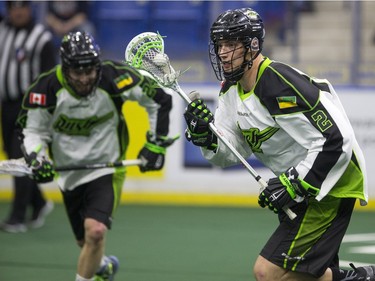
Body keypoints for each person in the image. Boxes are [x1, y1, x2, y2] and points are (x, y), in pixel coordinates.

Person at [183, 7, 374, 281]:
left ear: (252, 46)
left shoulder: (277, 83)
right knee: (304, 274)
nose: (223, 52)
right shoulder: (230, 91)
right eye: (220, 45)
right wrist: (206, 137)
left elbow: (336, 138)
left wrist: (294, 183)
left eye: (231, 44)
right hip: (302, 188)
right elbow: (230, 152)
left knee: (268, 272)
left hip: (330, 185)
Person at [16, 31, 175, 281]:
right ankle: (103, 267)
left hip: (107, 169)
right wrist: (37, 158)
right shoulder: (45, 88)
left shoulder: (115, 77)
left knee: (96, 231)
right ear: (65, 68)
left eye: (90, 70)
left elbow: (159, 100)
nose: (85, 78)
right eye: (77, 72)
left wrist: (156, 145)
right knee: (85, 241)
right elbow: (32, 131)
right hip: (69, 174)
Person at [0, 0, 55, 233]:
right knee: (13, 154)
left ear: (30, 8)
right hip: (7, 105)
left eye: (22, 6)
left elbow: (50, 78)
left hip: (30, 109)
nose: (17, 11)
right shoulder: (3, 29)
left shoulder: (41, 37)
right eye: (13, 6)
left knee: (20, 158)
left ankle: (18, 216)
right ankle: (39, 203)